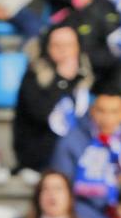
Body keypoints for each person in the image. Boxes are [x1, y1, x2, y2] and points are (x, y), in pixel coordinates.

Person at [50, 79, 121, 218]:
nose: (107, 119)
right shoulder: (71, 141)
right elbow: (60, 187)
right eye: (101, 111)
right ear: (92, 111)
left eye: (114, 112)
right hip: (81, 215)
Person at [12, 25, 95, 175]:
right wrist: (60, 80)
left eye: (69, 45)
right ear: (47, 48)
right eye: (57, 45)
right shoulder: (33, 77)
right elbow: (41, 114)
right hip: (40, 153)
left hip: (81, 153)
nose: (63, 50)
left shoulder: (86, 78)